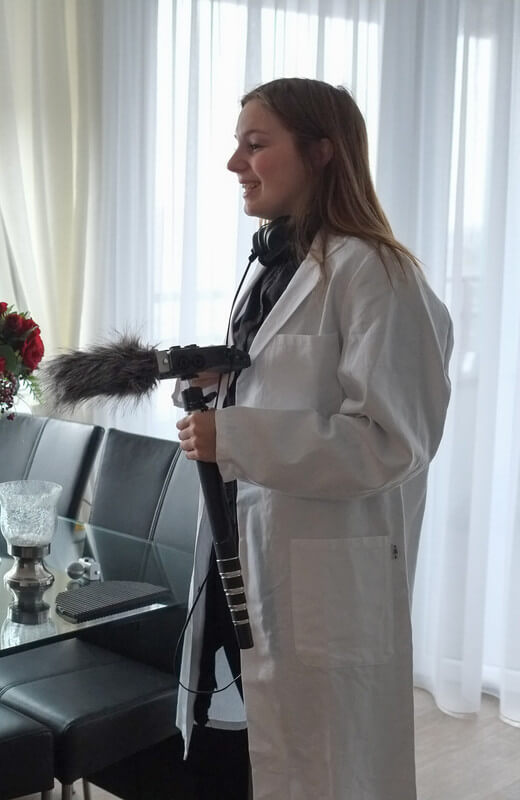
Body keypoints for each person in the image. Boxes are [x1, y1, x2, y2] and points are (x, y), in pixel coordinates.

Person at [174, 78, 453, 799]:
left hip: (326, 583)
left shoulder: (377, 275)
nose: (235, 162)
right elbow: (296, 386)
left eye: (256, 144)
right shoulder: (273, 269)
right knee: (259, 760)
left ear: (323, 153)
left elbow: (392, 442)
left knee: (331, 772)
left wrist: (233, 434)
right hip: (250, 559)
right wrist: (228, 381)